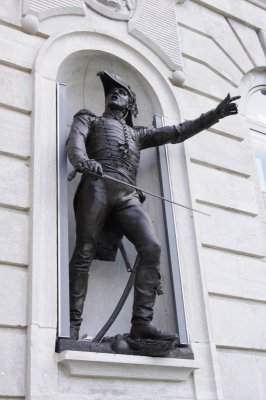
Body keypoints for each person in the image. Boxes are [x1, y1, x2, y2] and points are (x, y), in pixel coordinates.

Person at [66, 70, 240, 340]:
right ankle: (72, 326)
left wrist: (214, 115)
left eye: (122, 92)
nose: (115, 93)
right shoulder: (88, 118)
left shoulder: (139, 134)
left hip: (127, 194)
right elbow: (75, 144)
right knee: (84, 250)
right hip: (97, 183)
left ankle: (141, 323)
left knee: (152, 246)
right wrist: (82, 161)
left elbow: (178, 132)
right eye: (112, 90)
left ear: (130, 105)